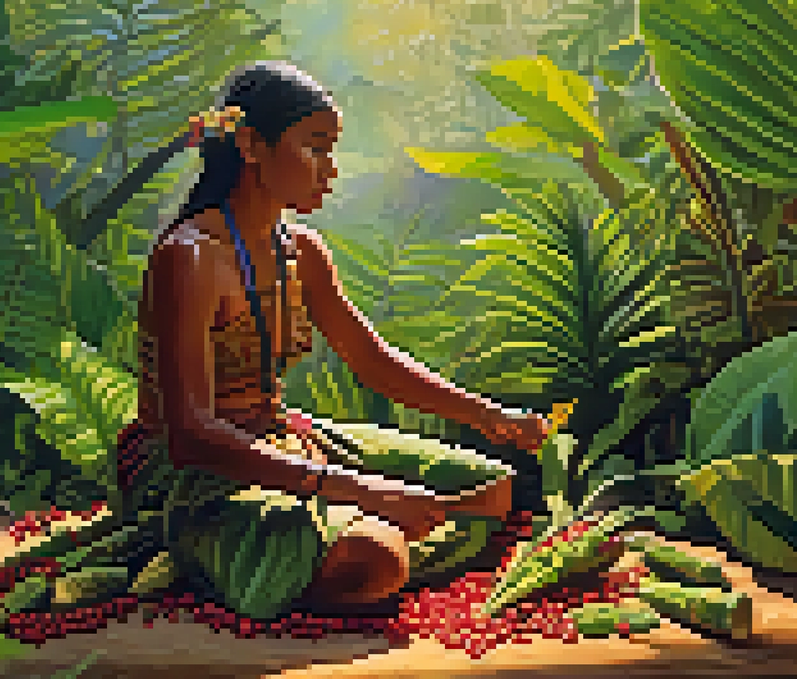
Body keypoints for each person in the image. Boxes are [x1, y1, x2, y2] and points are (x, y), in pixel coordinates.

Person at [117, 61, 550, 620]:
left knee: (494, 491)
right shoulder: (190, 257)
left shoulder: (301, 251)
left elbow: (371, 360)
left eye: (332, 150)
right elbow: (192, 437)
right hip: (198, 472)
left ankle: (313, 555)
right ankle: (276, 552)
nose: (331, 169)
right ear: (251, 146)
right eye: (315, 148)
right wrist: (363, 491)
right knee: (376, 559)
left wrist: (490, 416)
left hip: (282, 441)